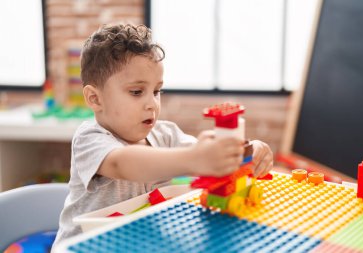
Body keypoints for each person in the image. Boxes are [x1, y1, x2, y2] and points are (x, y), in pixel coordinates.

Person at [52, 24, 273, 247]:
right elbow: (122, 163)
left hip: (136, 243)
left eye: (157, 91)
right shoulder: (89, 138)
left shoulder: (165, 134)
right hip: (84, 246)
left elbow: (208, 156)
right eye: (137, 92)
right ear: (95, 99)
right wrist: (196, 159)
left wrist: (246, 152)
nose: (152, 104)